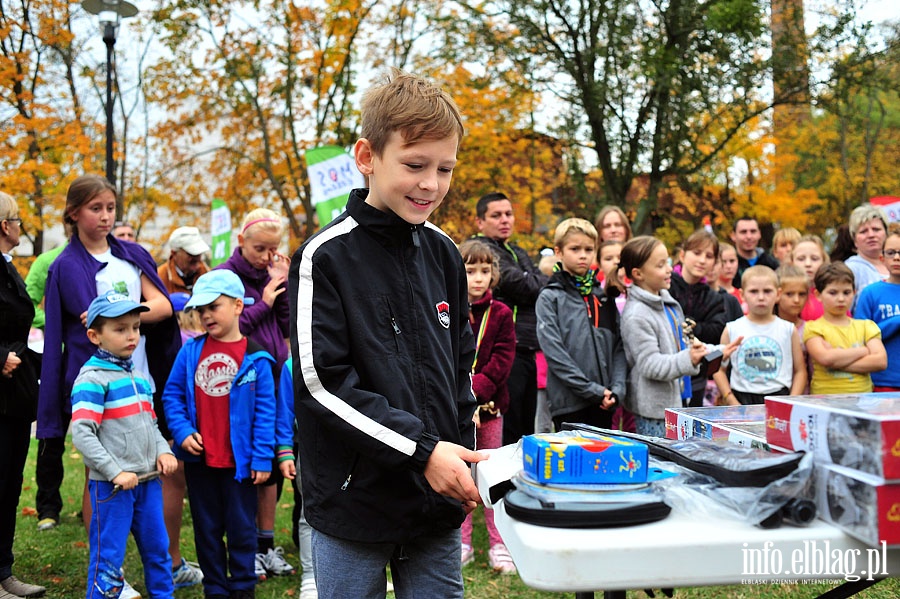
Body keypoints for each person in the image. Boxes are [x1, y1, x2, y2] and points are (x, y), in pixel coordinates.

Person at [289, 69, 484, 599]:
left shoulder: (445, 252)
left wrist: (459, 453)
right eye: (415, 165)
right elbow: (321, 383)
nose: (431, 184)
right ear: (367, 157)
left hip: (435, 502)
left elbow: (458, 369)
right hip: (355, 502)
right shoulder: (323, 257)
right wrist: (423, 451)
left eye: (445, 169)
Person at [35, 174, 184, 598]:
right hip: (96, 377)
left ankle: (164, 563)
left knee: (150, 461)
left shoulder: (130, 256)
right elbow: (73, 328)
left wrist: (126, 320)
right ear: (74, 213)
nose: (105, 216)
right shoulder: (65, 266)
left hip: (136, 378)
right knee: (100, 472)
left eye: (110, 208)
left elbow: (162, 304)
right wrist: (114, 323)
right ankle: (108, 570)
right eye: (95, 208)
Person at [161, 270, 277, 599]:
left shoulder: (257, 359)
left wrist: (262, 457)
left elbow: (266, 413)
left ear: (239, 305)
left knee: (242, 531)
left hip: (240, 468)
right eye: (201, 310)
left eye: (214, 306)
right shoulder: (191, 352)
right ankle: (215, 589)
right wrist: (182, 431)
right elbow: (172, 396)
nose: (206, 315)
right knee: (207, 531)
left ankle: (242, 589)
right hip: (201, 463)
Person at [71, 291, 178, 599]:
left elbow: (151, 425)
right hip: (113, 489)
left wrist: (163, 450)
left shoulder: (138, 376)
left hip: (148, 484)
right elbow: (82, 434)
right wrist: (115, 472)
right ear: (95, 336)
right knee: (108, 561)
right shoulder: (92, 379)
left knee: (159, 551)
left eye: (135, 327)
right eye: (120, 329)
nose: (131, 335)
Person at [216, 208, 294, 580]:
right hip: (241, 383)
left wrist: (283, 285)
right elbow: (231, 327)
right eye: (260, 249)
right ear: (241, 242)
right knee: (247, 465)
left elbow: (286, 325)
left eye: (273, 249)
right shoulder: (224, 277)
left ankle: (265, 545)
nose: (266, 257)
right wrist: (262, 300)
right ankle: (243, 544)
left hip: (275, 377)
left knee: (272, 465)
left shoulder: (270, 275)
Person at [620, 237, 720, 437]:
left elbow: (679, 345)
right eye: (660, 265)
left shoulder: (666, 302)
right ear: (638, 274)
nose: (669, 269)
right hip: (655, 413)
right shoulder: (637, 315)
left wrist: (709, 350)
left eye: (667, 261)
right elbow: (650, 365)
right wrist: (688, 358)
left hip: (678, 402)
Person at [457, 239, 516, 574]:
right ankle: (461, 542)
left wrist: (474, 396)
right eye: (469, 270)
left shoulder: (502, 313)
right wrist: (463, 400)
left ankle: (499, 543)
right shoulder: (446, 310)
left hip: (491, 409)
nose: (478, 278)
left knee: (491, 476)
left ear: (494, 273)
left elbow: (501, 362)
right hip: (458, 412)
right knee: (461, 476)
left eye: (484, 270)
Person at [0, 191, 47, 599]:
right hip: (0, 390)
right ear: (5, 225)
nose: (21, 228)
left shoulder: (8, 266)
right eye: (17, 220)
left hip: (12, 395)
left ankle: (3, 571)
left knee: (8, 483)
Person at [536, 218, 626, 432]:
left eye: (588, 249)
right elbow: (555, 353)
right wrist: (591, 389)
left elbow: (619, 346)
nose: (583, 255)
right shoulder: (550, 297)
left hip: (605, 401)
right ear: (559, 252)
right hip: (569, 403)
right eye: (575, 249)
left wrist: (617, 389)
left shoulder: (603, 296)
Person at [475, 192, 549, 446]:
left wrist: (532, 282)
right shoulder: (482, 252)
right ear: (480, 222)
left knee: (527, 428)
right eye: (496, 215)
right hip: (509, 352)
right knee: (509, 430)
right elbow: (525, 285)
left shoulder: (517, 250)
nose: (505, 220)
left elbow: (541, 286)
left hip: (530, 350)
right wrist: (532, 282)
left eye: (508, 214)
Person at [713, 266, 806, 405]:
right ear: (742, 295)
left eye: (767, 291)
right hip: (741, 399)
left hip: (779, 396)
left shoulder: (788, 330)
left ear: (778, 294)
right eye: (754, 291)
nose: (761, 297)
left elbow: (800, 371)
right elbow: (718, 369)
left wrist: (791, 402)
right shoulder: (732, 329)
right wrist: (731, 399)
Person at [804, 262, 886, 394]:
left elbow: (880, 361)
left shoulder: (866, 326)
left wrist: (836, 362)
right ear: (818, 295)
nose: (841, 298)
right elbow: (825, 358)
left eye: (846, 292)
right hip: (825, 401)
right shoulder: (813, 328)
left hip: (862, 400)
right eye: (833, 293)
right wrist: (864, 351)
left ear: (854, 293)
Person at [668, 230, 726, 407]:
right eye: (697, 253)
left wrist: (687, 327)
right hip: (667, 372)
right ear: (683, 255)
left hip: (696, 377)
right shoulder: (666, 286)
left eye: (709, 256)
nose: (702, 260)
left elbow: (715, 331)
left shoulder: (714, 298)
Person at [854, 231, 900, 392]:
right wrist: (896, 321)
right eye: (891, 252)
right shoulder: (871, 293)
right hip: (882, 380)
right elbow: (859, 337)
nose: (896, 257)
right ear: (882, 258)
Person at [846, 204, 889, 294]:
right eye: (863, 231)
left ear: (886, 233)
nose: (871, 235)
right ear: (855, 240)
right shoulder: (850, 270)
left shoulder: (896, 264)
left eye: (876, 229)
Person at [157, 226, 210, 295]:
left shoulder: (209, 276)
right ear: (174, 253)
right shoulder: (160, 279)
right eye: (191, 254)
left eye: (199, 253)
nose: (197, 258)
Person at [730, 217, 779, 288]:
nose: (749, 236)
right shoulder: (727, 264)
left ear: (759, 234)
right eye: (743, 232)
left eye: (753, 231)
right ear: (733, 236)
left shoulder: (771, 264)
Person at [792, 235, 829, 321]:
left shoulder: (833, 294)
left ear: (823, 261)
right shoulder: (784, 296)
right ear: (792, 262)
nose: (808, 264)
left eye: (814, 259)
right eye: (801, 259)